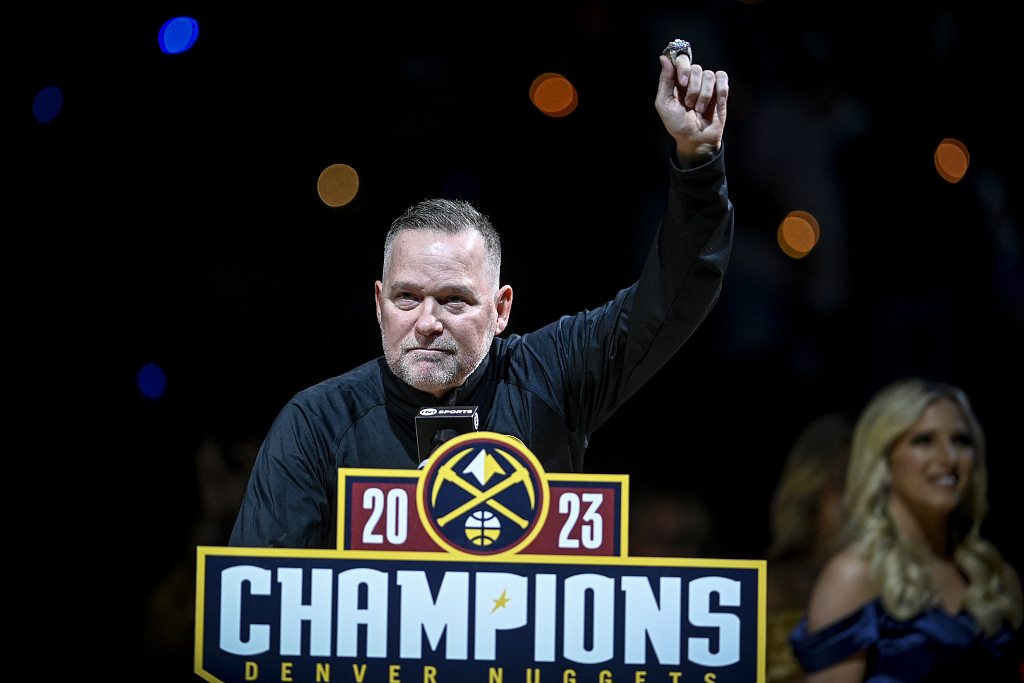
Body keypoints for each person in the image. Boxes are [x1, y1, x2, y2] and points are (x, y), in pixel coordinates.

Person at [230, 41, 733, 549]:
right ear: (378, 303)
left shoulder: (552, 376)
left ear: (500, 310)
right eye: (407, 298)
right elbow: (260, 600)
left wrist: (699, 161)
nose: (427, 322)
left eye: (454, 301)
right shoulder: (316, 425)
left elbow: (675, 299)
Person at [791, 379, 1023, 682]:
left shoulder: (996, 577)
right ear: (884, 461)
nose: (949, 458)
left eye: (962, 441)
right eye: (924, 440)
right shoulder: (855, 576)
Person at [765, 414, 852, 683]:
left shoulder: (905, 587)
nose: (861, 499)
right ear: (813, 488)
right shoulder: (768, 586)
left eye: (876, 486)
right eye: (846, 481)